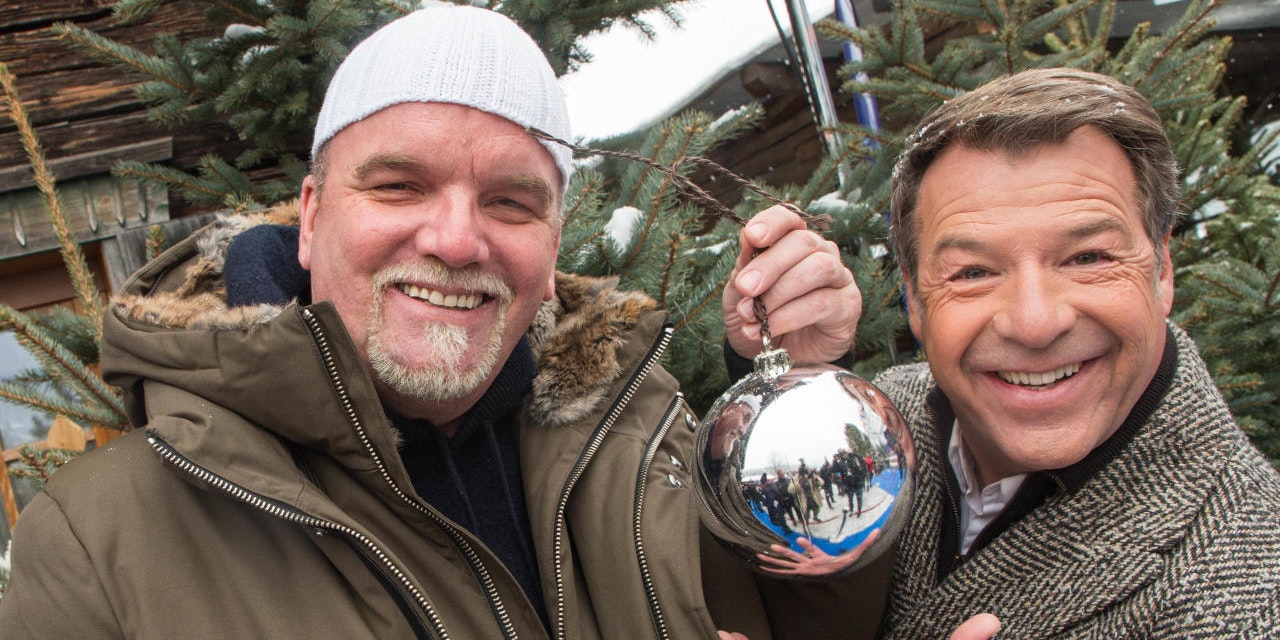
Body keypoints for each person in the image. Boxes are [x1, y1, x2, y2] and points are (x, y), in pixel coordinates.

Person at [0, 5, 875, 640]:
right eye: (399, 186)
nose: (458, 240)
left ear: (553, 240)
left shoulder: (648, 443)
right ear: (309, 216)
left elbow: (810, 619)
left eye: (510, 201)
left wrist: (794, 397)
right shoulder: (99, 545)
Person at [727, 67, 1280, 638]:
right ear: (915, 299)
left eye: (1087, 258)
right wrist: (784, 379)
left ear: (1161, 270)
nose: (1035, 323)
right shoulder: (890, 411)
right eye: (973, 271)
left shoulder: (1249, 592)